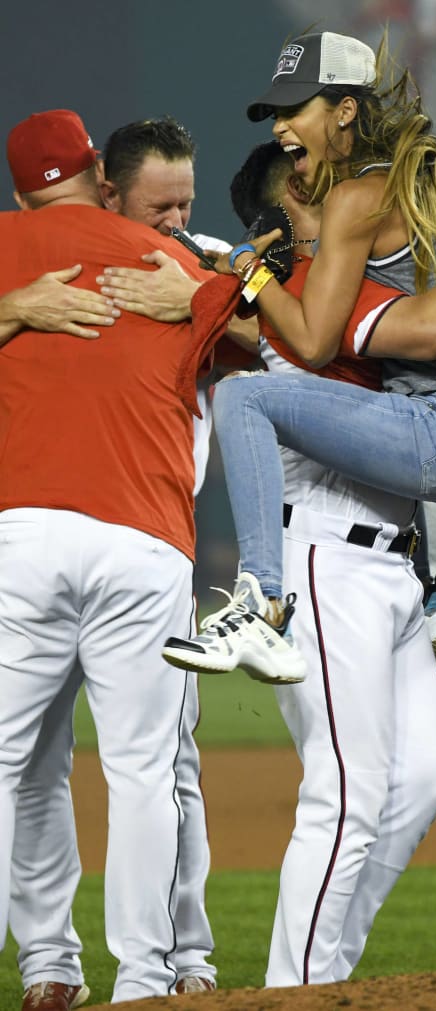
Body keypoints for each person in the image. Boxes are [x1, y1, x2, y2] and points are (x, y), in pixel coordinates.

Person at [160, 29, 436, 685]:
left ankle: (260, 606)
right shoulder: (422, 175)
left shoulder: (353, 198)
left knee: (242, 397)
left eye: (294, 107)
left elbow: (310, 342)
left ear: (345, 110)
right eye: (275, 112)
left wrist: (250, 271)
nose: (280, 125)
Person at [5, 116, 220, 1009]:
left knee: (16, 763)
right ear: (100, 174)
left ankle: (51, 965)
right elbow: (309, 336)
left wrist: (15, 306)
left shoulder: (8, 242)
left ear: (21, 193)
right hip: (144, 538)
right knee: (150, 770)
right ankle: (150, 976)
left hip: (20, 538)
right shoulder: (192, 266)